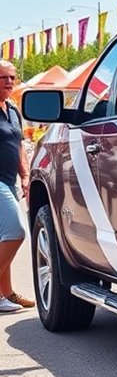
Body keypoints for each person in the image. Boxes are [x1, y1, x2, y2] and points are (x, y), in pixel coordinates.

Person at [0, 60, 32, 313]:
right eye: (3, 78)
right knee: (15, 232)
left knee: (3, 237)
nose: (9, 82)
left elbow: (20, 145)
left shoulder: (12, 110)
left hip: (10, 180)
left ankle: (6, 294)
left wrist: (25, 175)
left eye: (12, 77)